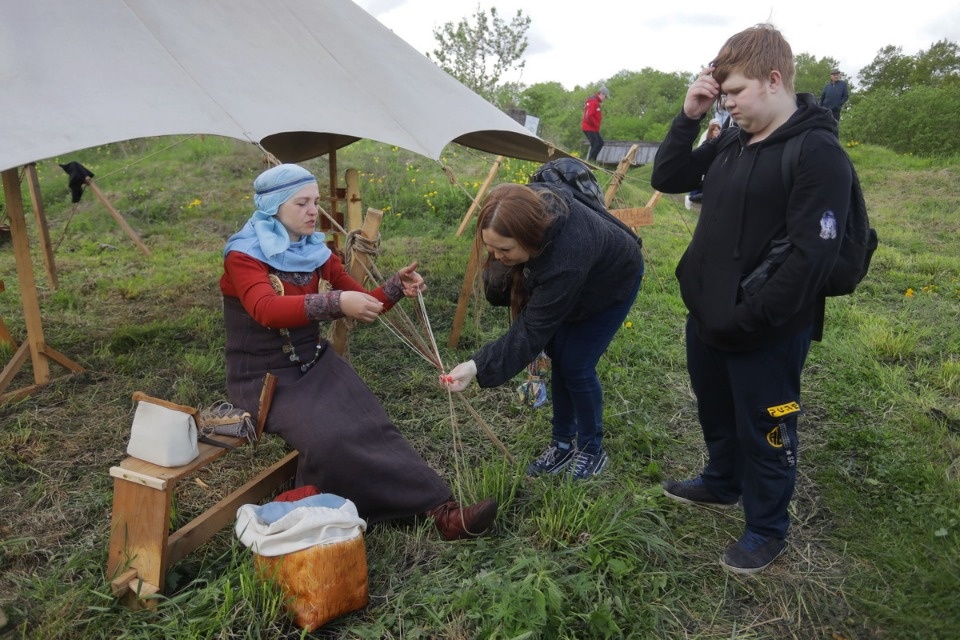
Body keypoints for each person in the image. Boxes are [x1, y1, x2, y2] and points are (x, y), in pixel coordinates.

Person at [650, 24, 851, 573]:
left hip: (767, 330)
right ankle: (721, 482)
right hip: (708, 315)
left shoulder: (818, 152)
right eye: (721, 92)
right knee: (715, 409)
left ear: (774, 79)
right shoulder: (734, 137)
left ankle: (767, 527)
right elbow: (668, 176)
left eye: (734, 91)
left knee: (767, 426)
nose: (727, 102)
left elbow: (813, 257)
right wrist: (690, 115)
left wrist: (749, 319)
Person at [220, 163, 497, 541]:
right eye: (301, 203)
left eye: (315, 202)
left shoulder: (314, 251)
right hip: (264, 379)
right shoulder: (244, 254)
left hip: (315, 364)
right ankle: (320, 505)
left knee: (371, 425)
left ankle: (441, 511)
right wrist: (336, 301)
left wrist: (396, 287)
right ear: (273, 207)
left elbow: (365, 304)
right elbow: (265, 309)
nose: (312, 212)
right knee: (328, 440)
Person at [441, 164, 644, 480]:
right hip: (575, 280)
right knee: (561, 356)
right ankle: (562, 444)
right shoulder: (524, 205)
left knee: (576, 364)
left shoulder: (566, 257)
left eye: (504, 250)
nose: (496, 256)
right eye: (490, 247)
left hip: (611, 282)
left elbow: (532, 329)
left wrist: (475, 365)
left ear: (531, 239)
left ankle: (591, 449)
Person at [685, 118, 724, 209]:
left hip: (715, 168)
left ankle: (692, 198)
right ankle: (691, 198)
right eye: (715, 130)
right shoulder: (708, 142)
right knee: (707, 189)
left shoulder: (719, 141)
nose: (717, 132)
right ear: (711, 131)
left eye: (719, 130)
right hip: (708, 169)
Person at [581, 86, 610, 162]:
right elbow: (589, 116)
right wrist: (595, 124)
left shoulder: (595, 102)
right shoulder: (593, 102)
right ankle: (591, 162)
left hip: (593, 128)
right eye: (605, 97)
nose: (605, 99)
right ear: (602, 94)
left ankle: (592, 161)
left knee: (600, 143)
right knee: (596, 144)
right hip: (589, 127)